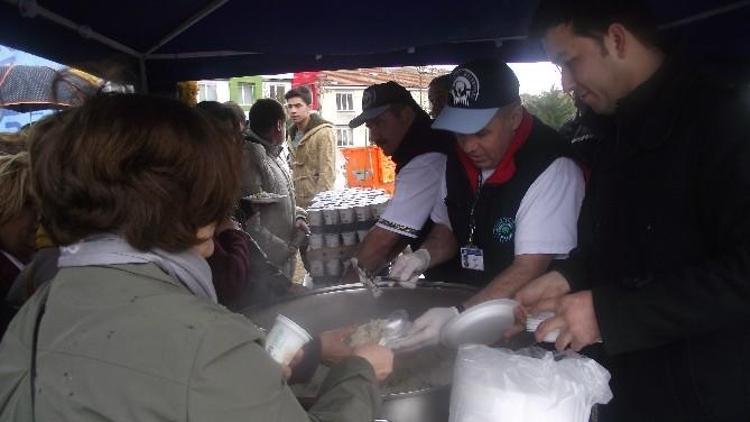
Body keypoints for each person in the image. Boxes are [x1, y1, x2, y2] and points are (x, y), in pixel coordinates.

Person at [0, 94, 393, 422]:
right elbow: (189, 370)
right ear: (184, 210)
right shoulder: (206, 344)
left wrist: (304, 353)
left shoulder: (33, 313)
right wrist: (358, 373)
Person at [513, 1, 750, 421]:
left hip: (707, 396)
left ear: (617, 40)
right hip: (624, 387)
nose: (566, 83)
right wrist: (568, 277)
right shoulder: (612, 129)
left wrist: (610, 314)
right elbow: (627, 241)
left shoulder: (725, 119)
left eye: (569, 62)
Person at [389, 58, 585, 351]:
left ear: (514, 117)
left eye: (481, 132)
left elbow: (529, 267)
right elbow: (446, 228)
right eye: (459, 132)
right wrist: (422, 257)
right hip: (472, 306)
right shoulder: (458, 158)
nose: (468, 146)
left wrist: (459, 315)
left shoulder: (551, 167)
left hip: (531, 328)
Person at [346, 81, 452, 276]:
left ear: (405, 115)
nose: (374, 137)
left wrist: (341, 295)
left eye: (379, 123)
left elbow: (383, 241)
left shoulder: (425, 157)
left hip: (455, 277)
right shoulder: (420, 147)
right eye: (370, 127)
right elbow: (398, 236)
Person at [243, 98, 309, 278]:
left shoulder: (274, 153)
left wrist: (300, 216)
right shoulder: (249, 158)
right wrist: (283, 250)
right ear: (279, 125)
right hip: (266, 269)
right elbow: (248, 221)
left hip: (283, 261)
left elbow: (285, 199)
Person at [285, 86, 337, 208]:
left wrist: (319, 206)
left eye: (298, 106)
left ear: (309, 107)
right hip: (298, 206)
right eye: (290, 106)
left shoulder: (324, 132)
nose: (293, 110)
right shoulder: (290, 134)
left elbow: (327, 174)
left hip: (317, 205)